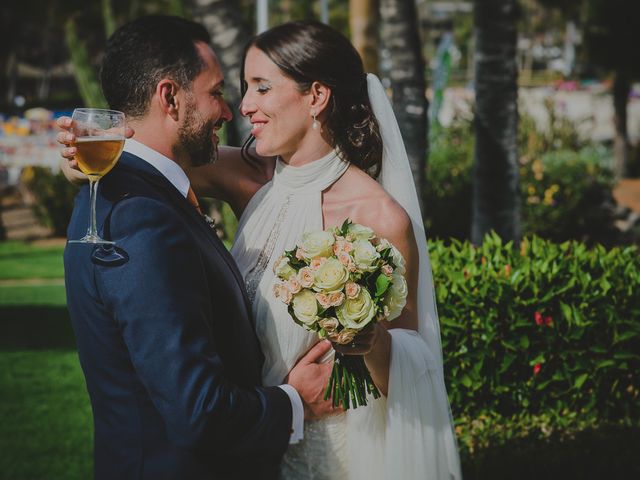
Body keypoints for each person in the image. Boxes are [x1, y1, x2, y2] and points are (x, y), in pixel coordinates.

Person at [61, 19, 462, 480]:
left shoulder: (381, 217)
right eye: (237, 88)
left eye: (261, 88)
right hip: (253, 438)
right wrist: (80, 165)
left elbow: (412, 363)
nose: (242, 106)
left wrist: (368, 341)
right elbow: (151, 160)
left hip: (328, 447)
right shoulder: (248, 177)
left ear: (316, 95)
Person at [61, 15, 338, 480]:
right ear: (170, 97)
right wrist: (298, 402)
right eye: (216, 92)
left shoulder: (121, 192)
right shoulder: (143, 218)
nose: (230, 111)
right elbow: (199, 410)